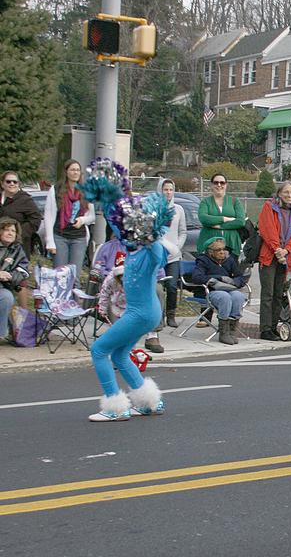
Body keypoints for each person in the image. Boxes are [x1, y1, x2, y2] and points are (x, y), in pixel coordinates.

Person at [88, 192, 174, 423]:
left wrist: (152, 230)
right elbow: (115, 221)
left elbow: (162, 252)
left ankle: (115, 407)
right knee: (119, 355)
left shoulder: (147, 252)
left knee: (98, 350)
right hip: (146, 312)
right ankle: (149, 403)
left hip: (141, 313)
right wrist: (112, 200)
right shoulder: (132, 249)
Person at [258, 182, 291, 341]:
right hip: (270, 256)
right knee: (268, 294)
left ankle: (274, 326)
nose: (290, 196)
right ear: (279, 193)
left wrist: (286, 250)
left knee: (278, 294)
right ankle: (265, 329)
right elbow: (267, 229)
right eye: (286, 192)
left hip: (284, 257)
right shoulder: (269, 207)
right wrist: (277, 250)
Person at [191, 238, 248, 345]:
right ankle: (223, 333)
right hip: (211, 291)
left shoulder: (229, 260)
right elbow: (196, 277)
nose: (222, 252)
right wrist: (218, 278)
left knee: (238, 296)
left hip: (229, 289)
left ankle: (232, 331)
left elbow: (240, 277)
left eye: (223, 249)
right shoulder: (203, 260)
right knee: (224, 297)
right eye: (218, 250)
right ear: (210, 251)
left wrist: (234, 281)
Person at [43, 159, 95, 278]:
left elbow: (92, 217)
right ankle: (59, 297)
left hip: (79, 237)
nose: (75, 172)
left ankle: (75, 297)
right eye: (72, 170)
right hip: (60, 236)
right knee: (60, 275)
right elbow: (49, 216)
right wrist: (50, 242)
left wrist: (82, 220)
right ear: (66, 172)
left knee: (74, 276)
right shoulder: (55, 190)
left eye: (77, 170)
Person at [0, 173, 40, 309]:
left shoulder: (25, 200)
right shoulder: (1, 200)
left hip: (18, 248)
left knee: (19, 280)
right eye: (8, 181)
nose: (12, 184)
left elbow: (35, 220)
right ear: (2, 184)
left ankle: (23, 319)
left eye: (15, 182)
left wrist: (18, 234)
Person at [158, 179, 187, 329]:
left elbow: (183, 231)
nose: (168, 192)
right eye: (165, 189)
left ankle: (171, 314)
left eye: (170, 190)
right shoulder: (154, 208)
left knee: (171, 286)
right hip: (157, 255)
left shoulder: (179, 210)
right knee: (157, 287)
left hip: (173, 256)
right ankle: (158, 315)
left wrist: (176, 247)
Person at [197, 173, 246, 257]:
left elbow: (241, 221)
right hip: (209, 245)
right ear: (212, 185)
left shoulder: (235, 201)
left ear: (226, 185)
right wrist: (224, 219)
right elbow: (203, 218)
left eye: (222, 183)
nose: (219, 185)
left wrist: (220, 226)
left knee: (230, 269)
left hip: (231, 244)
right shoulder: (205, 202)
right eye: (216, 182)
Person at [0, 217, 29, 342]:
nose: (10, 233)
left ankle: (1, 334)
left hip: (3, 287)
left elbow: (24, 271)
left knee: (7, 297)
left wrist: (10, 276)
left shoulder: (17, 249)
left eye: (13, 230)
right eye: (6, 230)